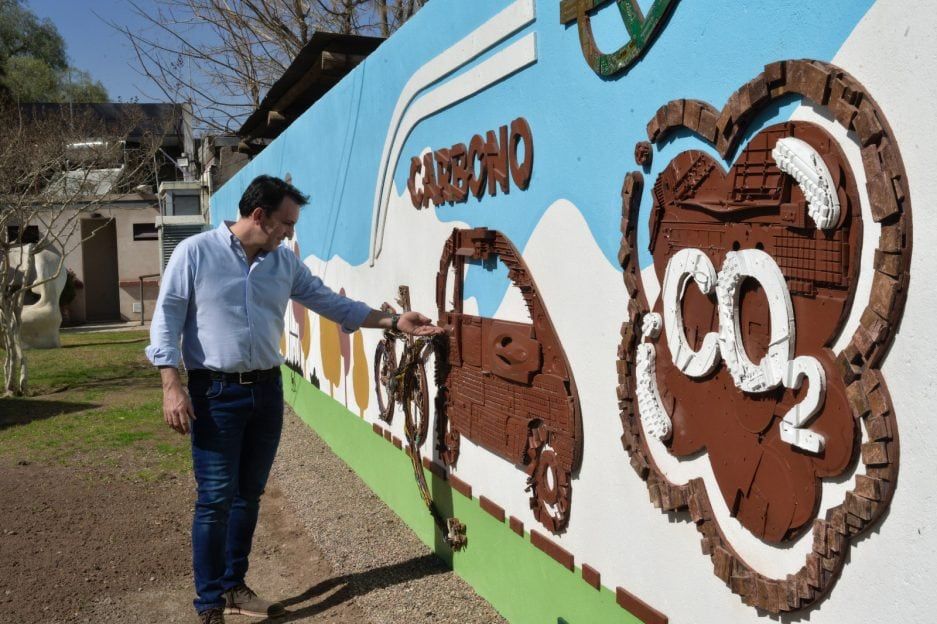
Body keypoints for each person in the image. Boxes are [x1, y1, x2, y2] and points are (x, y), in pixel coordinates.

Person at [146, 175, 444, 624]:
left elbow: (331, 303)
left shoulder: (282, 264)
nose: (290, 234)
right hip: (215, 393)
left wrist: (393, 321)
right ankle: (209, 604)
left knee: (248, 496)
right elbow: (167, 319)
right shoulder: (195, 253)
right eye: (286, 224)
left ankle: (233, 587)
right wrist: (172, 385)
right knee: (215, 499)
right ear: (259, 216)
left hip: (266, 392)